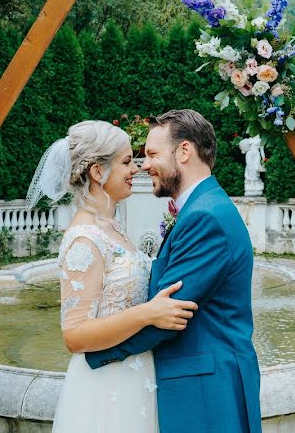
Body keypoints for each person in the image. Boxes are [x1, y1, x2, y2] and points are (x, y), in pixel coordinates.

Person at [85, 109, 262, 433]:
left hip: (206, 392)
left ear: (184, 151)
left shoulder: (205, 217)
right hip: (204, 381)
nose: (145, 164)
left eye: (152, 153)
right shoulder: (203, 207)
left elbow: (169, 316)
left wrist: (95, 348)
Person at [27, 120, 198, 432]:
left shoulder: (111, 227)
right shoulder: (84, 238)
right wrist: (148, 313)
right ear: (97, 172)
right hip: (105, 387)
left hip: (136, 376)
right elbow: (75, 335)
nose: (136, 168)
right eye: (126, 161)